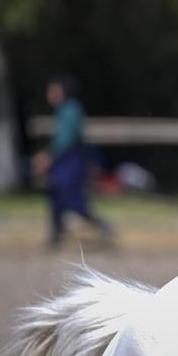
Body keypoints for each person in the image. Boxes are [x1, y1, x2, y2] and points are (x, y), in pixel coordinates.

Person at [32, 74, 112, 247]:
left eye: (53, 89)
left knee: (70, 196)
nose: (49, 93)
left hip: (70, 161)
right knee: (56, 195)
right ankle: (56, 235)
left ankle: (103, 225)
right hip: (64, 161)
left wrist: (47, 156)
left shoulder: (70, 109)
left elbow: (66, 139)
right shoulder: (63, 110)